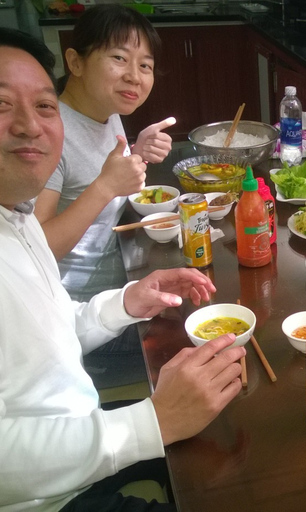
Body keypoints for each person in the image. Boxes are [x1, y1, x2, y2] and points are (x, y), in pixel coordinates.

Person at [0, 28, 245, 511]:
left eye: (44, 107)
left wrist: (123, 303)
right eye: (2, 105)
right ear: (75, 61)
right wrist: (150, 424)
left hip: (77, 427)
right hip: (47, 497)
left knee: (233, 432)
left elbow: (42, 334)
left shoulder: (15, 214)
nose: (30, 125)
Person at [33, 5, 176, 388]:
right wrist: (106, 187)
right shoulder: (48, 136)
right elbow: (34, 249)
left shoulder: (104, 110)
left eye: (145, 65)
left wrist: (136, 152)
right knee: (191, 337)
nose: (134, 75)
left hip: (119, 285)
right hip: (82, 326)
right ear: (75, 62)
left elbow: (95, 170)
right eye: (118, 58)